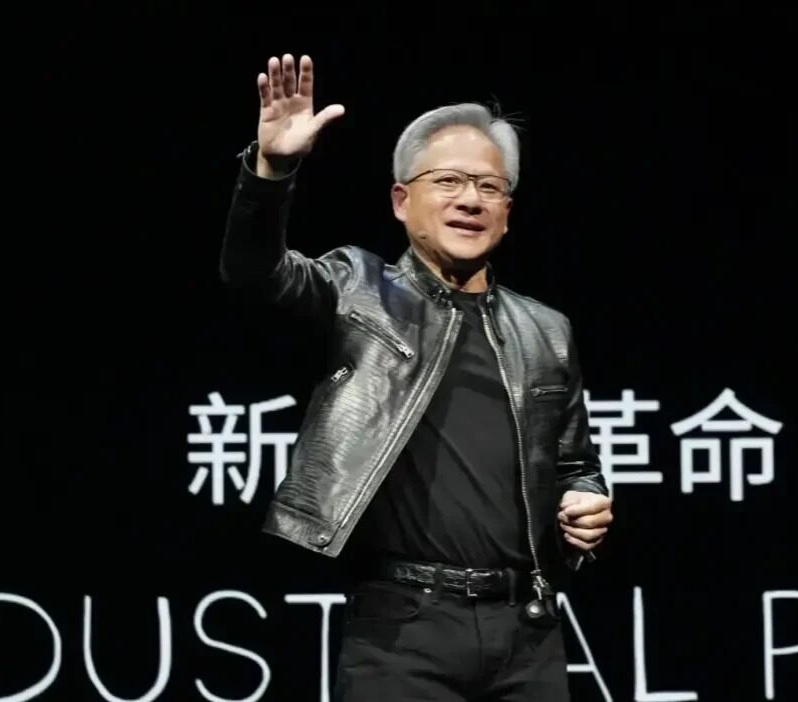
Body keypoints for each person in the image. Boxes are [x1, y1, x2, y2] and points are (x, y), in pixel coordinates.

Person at [220, 53, 613, 702]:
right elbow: (256, 274)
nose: (470, 199)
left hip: (527, 628)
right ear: (401, 201)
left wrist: (584, 502)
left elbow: (575, 464)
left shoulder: (546, 330)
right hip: (403, 628)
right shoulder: (359, 289)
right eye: (448, 181)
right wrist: (273, 172)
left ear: (507, 211)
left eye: (489, 187)